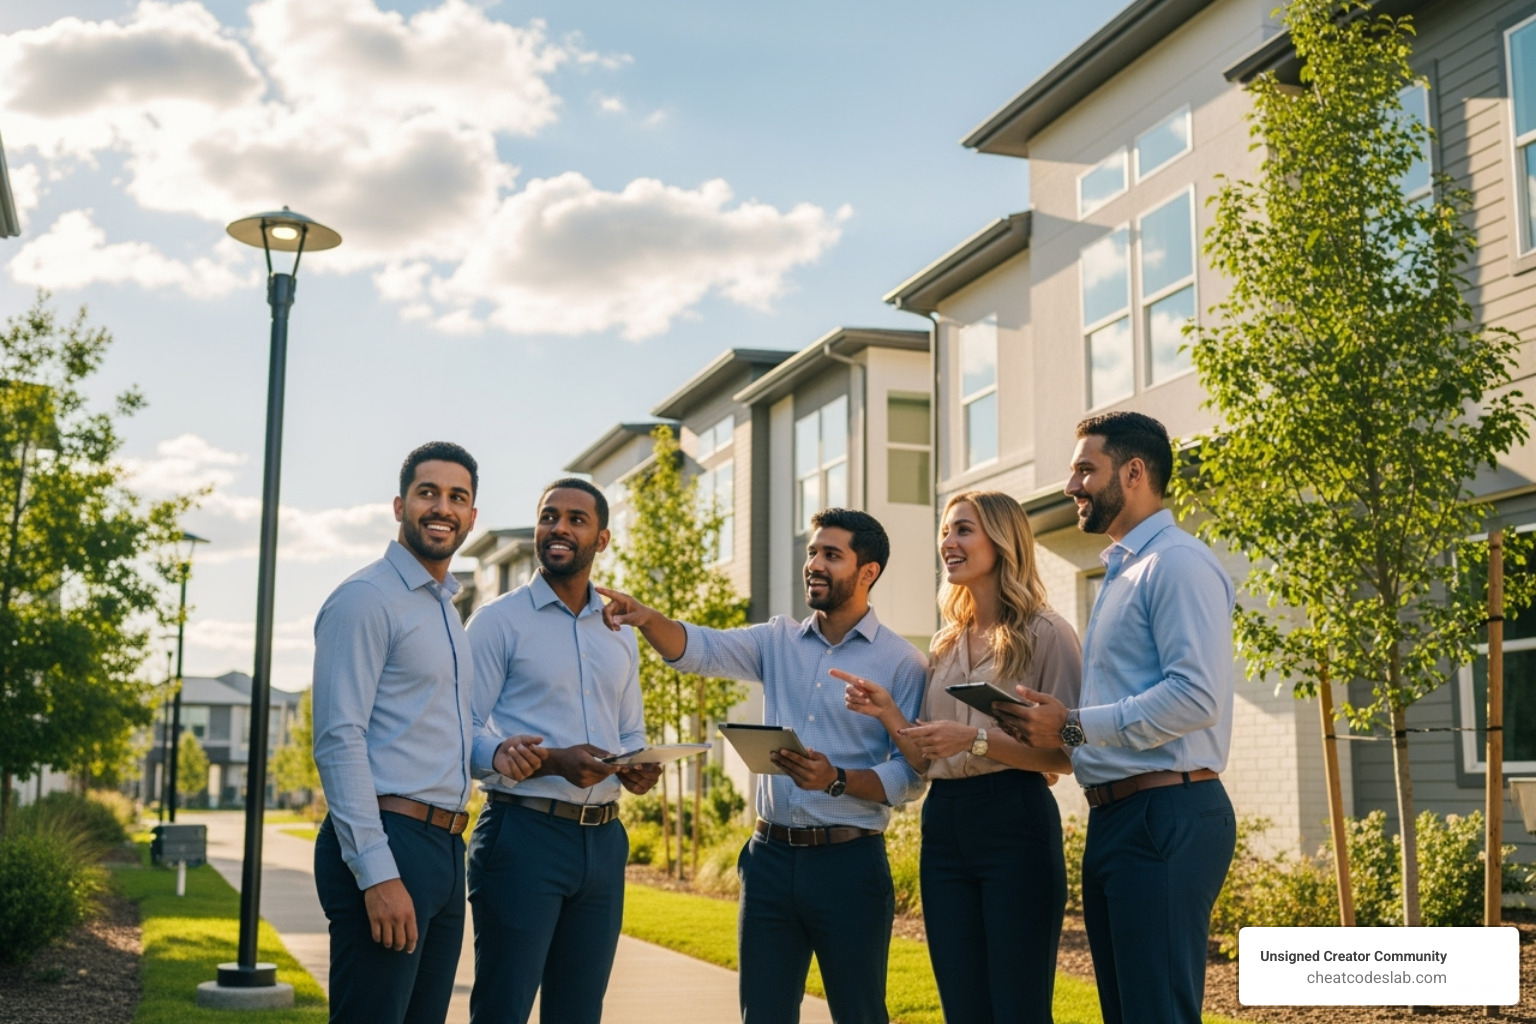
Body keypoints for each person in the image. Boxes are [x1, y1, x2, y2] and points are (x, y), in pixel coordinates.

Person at [597, 507, 927, 1024]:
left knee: (860, 1014)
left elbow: (910, 777)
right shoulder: (778, 640)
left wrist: (835, 780)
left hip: (850, 867)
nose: (814, 564)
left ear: (868, 572)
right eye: (812, 552)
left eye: (831, 555)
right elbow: (702, 649)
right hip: (768, 862)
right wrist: (647, 617)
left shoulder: (902, 663)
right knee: (763, 1015)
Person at [993, 412, 1236, 1024]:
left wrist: (1070, 726)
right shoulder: (1123, 569)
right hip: (1120, 817)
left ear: (1133, 473)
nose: (1071, 486)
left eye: (1084, 469)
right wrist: (1048, 728)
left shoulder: (1175, 564)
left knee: (1155, 1013)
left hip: (1165, 815)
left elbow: (1195, 697)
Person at [313, 442, 537, 1024]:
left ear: (472, 516)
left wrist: (495, 749)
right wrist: (376, 870)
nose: (442, 507)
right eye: (428, 493)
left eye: (456, 497)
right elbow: (339, 739)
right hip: (389, 839)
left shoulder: (443, 607)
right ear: (399, 504)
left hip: (442, 847)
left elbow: (451, 726)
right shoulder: (366, 600)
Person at [837, 490, 1080, 1024]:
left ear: (1002, 539)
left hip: (1015, 822)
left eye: (963, 530)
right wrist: (889, 715)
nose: (948, 542)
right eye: (945, 531)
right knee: (962, 1006)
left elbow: (1067, 757)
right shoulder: (945, 645)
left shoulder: (1047, 634)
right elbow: (926, 758)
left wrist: (975, 741)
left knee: (1019, 1005)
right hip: (944, 824)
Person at [465, 477, 661, 1024]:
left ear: (601, 539)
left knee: (579, 1012)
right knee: (503, 1007)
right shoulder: (497, 622)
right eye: (549, 516)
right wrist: (549, 760)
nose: (559, 527)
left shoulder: (620, 628)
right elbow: (461, 728)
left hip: (603, 844)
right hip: (522, 837)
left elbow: (628, 733)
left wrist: (635, 767)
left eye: (577, 520)